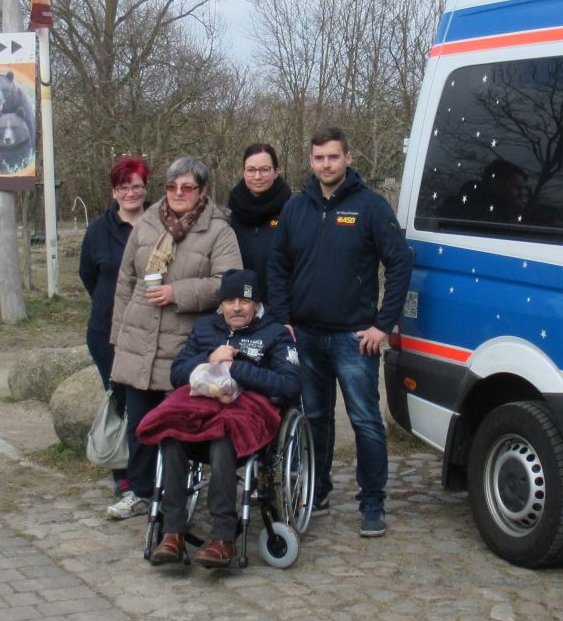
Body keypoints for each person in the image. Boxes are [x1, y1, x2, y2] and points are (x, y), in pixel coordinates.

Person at [267, 126, 412, 537]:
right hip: (306, 336)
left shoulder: (371, 206)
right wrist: (282, 320)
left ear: (348, 158)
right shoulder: (297, 208)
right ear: (310, 161)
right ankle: (319, 490)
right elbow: (278, 265)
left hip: (354, 338)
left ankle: (371, 503)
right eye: (319, 158)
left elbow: (399, 263)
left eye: (333, 157)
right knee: (314, 417)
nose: (326, 164)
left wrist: (382, 324)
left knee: (365, 420)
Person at [106, 156, 242, 520]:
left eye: (187, 187)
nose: (178, 194)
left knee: (175, 425)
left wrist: (177, 292)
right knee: (139, 423)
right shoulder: (148, 222)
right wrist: (118, 332)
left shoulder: (219, 230)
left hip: (185, 342)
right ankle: (139, 490)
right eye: (171, 187)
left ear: (202, 191)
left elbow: (226, 283)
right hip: (139, 337)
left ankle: (173, 499)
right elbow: (125, 282)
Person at [142, 268, 302, 568]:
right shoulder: (204, 329)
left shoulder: (275, 333)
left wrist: (238, 367)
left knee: (222, 438)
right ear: (221, 304)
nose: (237, 307)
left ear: (256, 305)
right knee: (172, 435)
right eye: (229, 301)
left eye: (244, 300)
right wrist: (208, 359)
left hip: (245, 415)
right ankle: (172, 532)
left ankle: (222, 537)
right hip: (197, 410)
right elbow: (177, 375)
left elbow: (290, 385)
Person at [78, 156, 150, 497]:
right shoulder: (97, 231)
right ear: (114, 191)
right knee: (121, 401)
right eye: (124, 187)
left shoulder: (161, 223)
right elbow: (88, 276)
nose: (131, 193)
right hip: (108, 333)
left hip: (154, 331)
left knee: (149, 404)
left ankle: (152, 474)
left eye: (137, 186)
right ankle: (123, 476)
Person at [226, 143, 292, 303]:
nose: (257, 176)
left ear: (276, 172)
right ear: (243, 171)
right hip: (239, 307)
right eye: (251, 170)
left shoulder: (292, 209)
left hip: (282, 305)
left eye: (264, 169)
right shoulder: (229, 213)